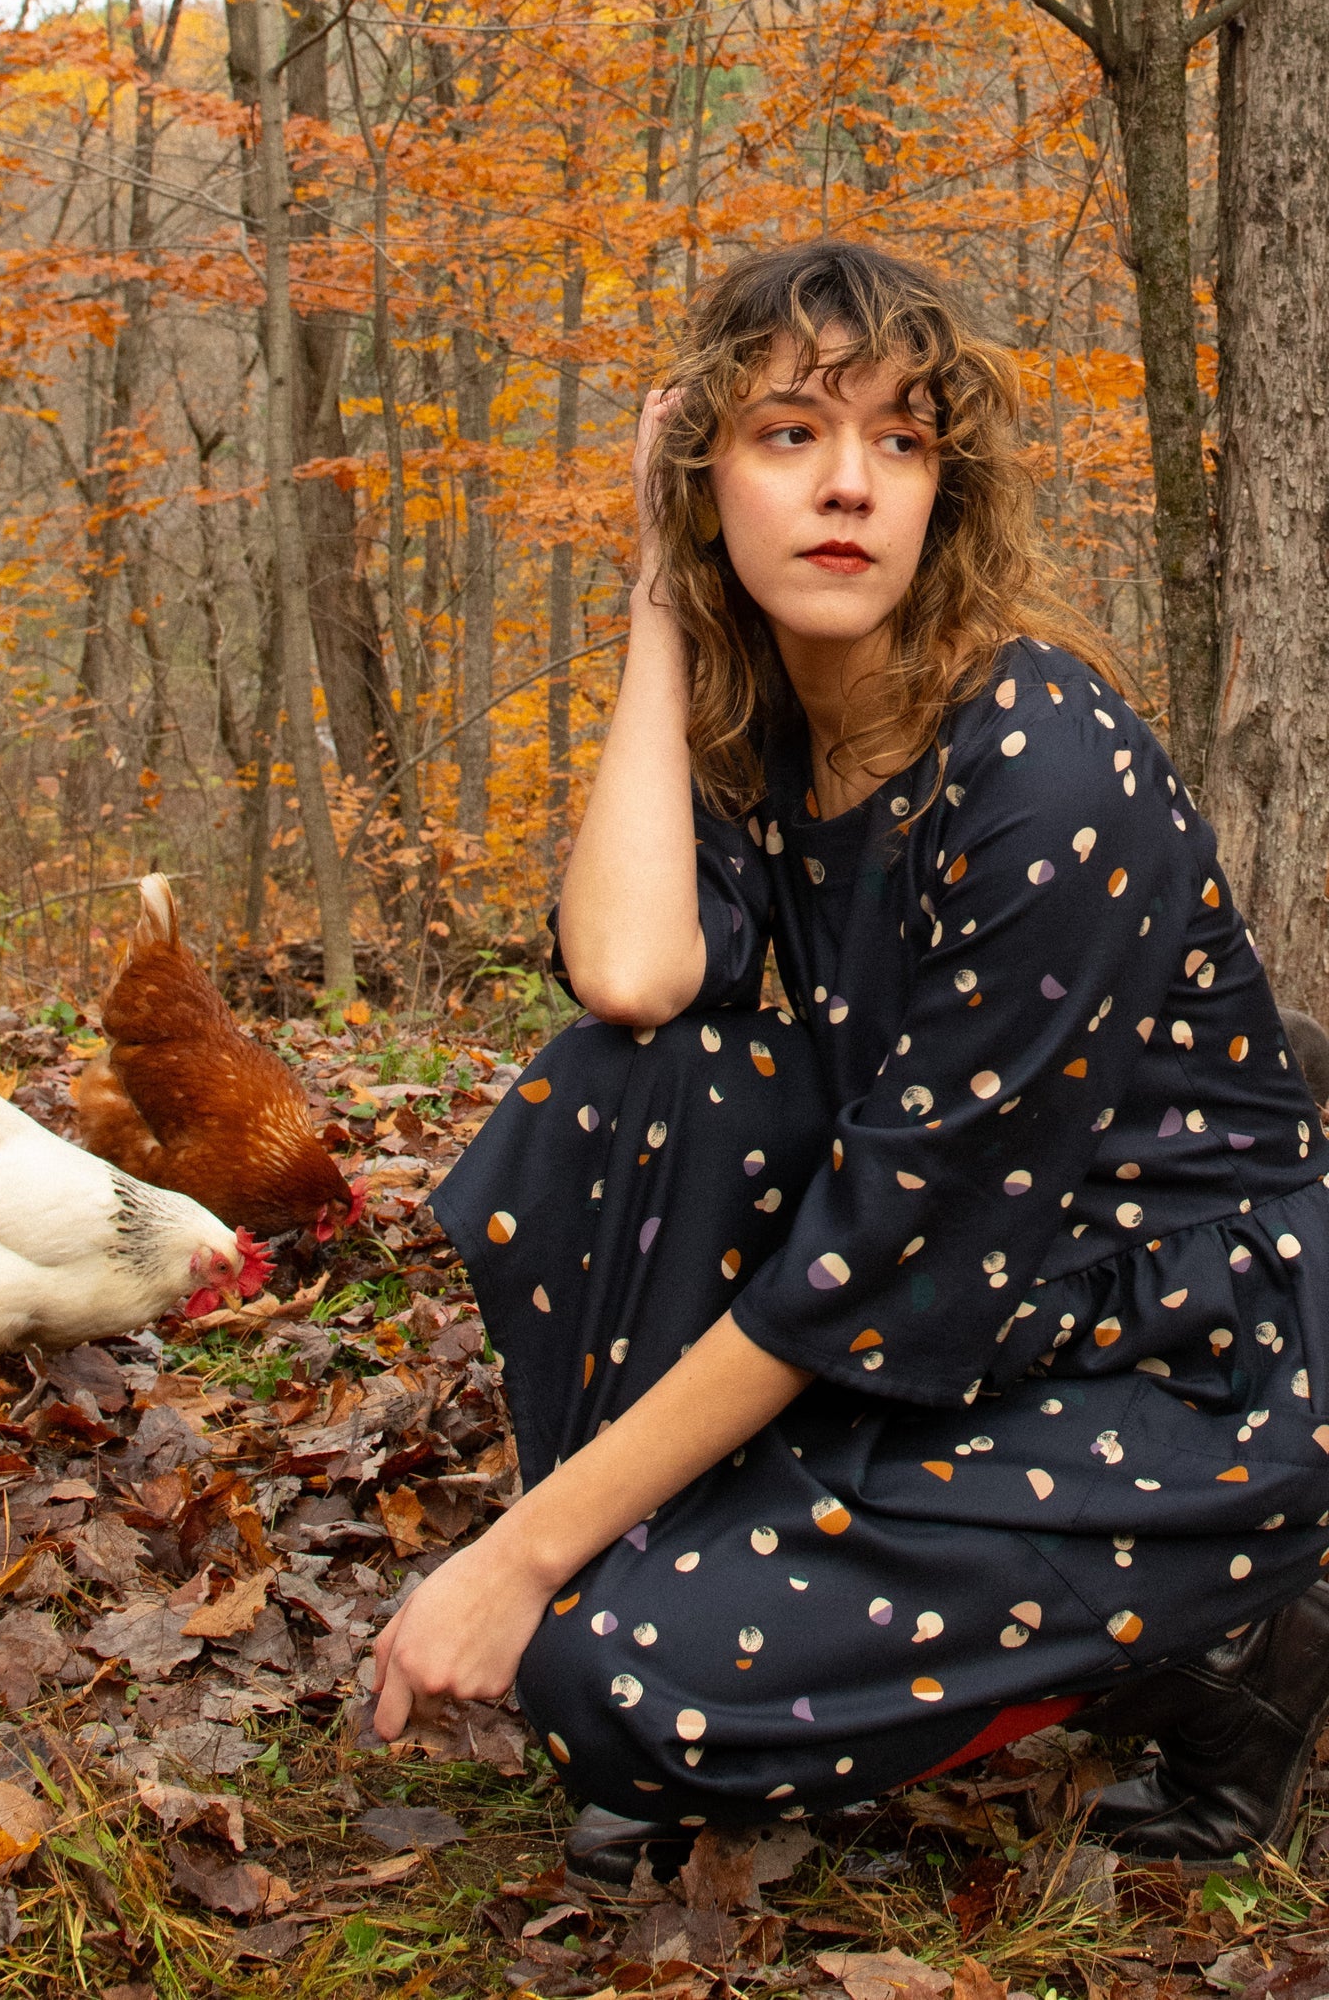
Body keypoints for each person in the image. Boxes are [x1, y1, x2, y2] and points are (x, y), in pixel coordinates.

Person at [370, 240, 1329, 1877]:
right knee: (608, 1093)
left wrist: (524, 1558)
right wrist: (660, 609)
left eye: (900, 441)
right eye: (787, 432)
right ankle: (680, 1559)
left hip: (1191, 1347)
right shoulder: (771, 735)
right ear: (707, 480)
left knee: (615, 1689)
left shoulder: (1044, 766)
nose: (849, 486)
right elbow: (631, 972)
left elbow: (877, 1265)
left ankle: (1237, 1636)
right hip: (982, 1306)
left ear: (947, 494)